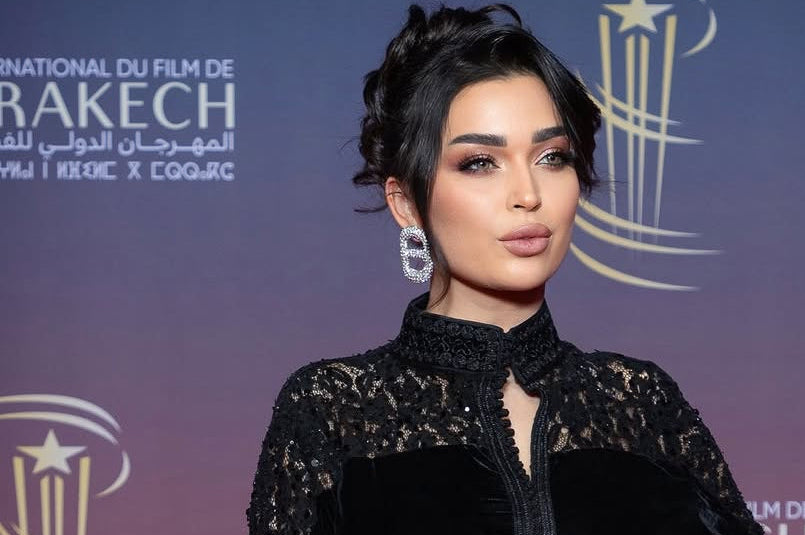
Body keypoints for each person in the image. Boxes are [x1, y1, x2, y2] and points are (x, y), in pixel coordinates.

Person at [247, 4, 762, 534]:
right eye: (479, 163)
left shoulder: (639, 400)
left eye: (552, 157)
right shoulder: (333, 409)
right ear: (406, 203)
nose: (527, 195)